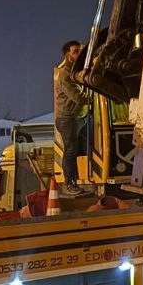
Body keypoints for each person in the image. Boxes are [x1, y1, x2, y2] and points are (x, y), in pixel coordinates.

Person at [53, 40, 86, 197]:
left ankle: (73, 183)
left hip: (70, 118)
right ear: (68, 55)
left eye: (79, 50)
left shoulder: (71, 72)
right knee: (71, 151)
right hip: (66, 119)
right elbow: (76, 97)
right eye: (75, 51)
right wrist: (88, 98)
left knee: (72, 150)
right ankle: (69, 184)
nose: (78, 53)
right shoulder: (65, 75)